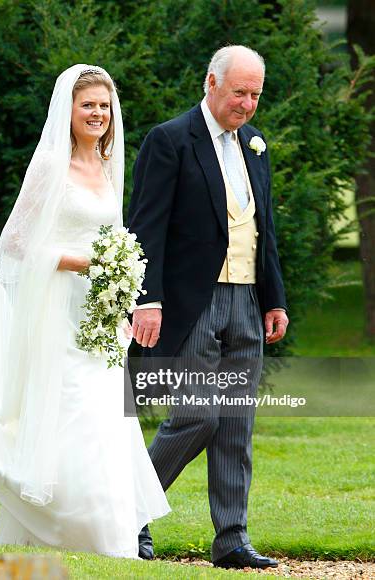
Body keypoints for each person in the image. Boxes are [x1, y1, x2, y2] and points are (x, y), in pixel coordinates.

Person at [0, 64, 170, 558]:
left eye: (104, 106)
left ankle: (108, 534)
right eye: (88, 105)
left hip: (99, 313)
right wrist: (81, 262)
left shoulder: (106, 167)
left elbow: (111, 237)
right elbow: (15, 245)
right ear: (67, 110)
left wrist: (118, 282)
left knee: (107, 413)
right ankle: (69, 527)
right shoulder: (50, 169)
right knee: (74, 409)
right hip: (56, 309)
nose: (98, 114)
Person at [128, 45, 289, 568]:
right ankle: (129, 512)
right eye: (239, 92)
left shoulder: (255, 146)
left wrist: (274, 299)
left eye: (255, 95)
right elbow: (146, 225)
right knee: (197, 414)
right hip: (191, 302)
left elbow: (264, 228)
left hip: (246, 300)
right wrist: (146, 299)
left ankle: (232, 540)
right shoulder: (170, 140)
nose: (247, 104)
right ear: (211, 82)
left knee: (237, 423)